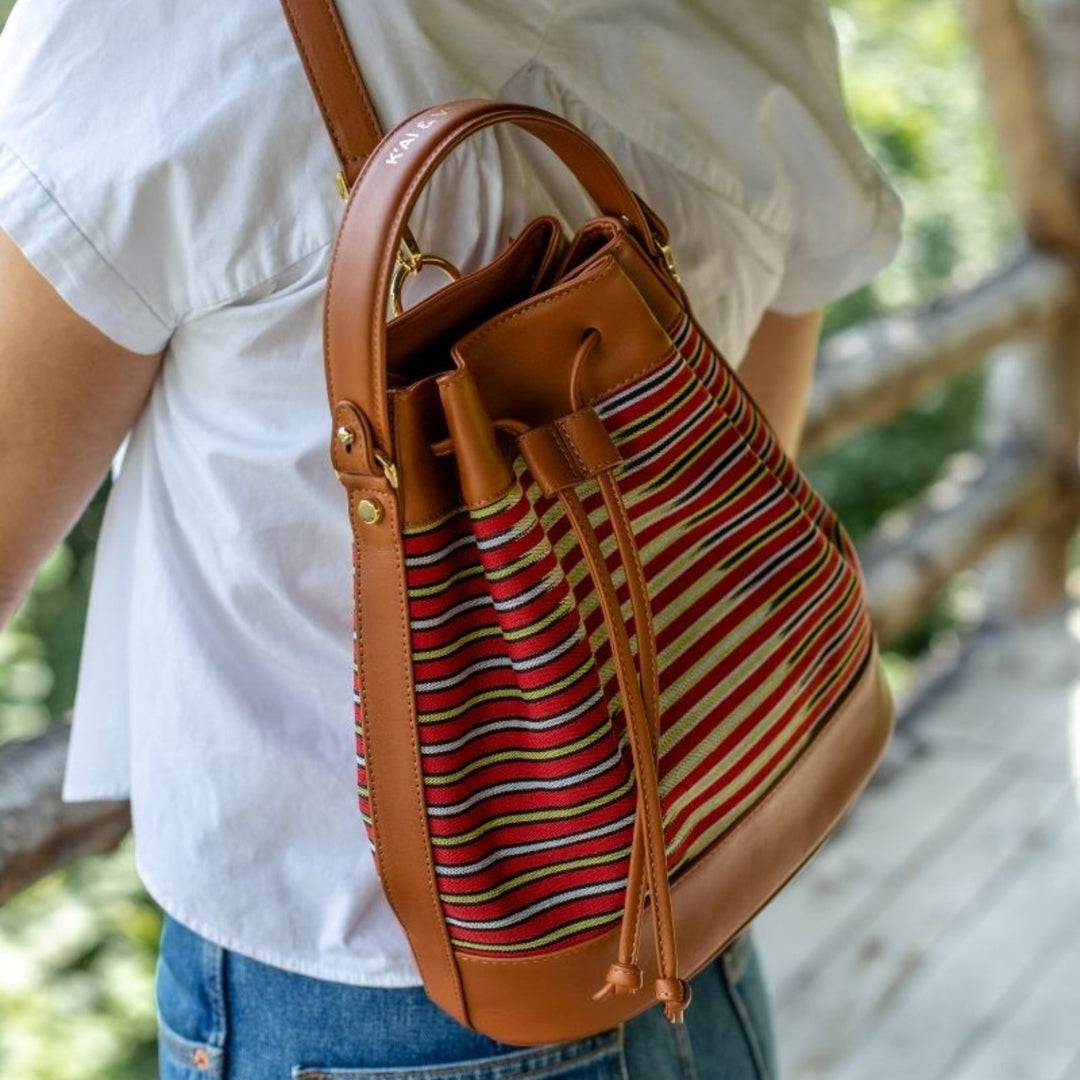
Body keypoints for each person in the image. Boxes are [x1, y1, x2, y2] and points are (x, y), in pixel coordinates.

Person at [0, 1, 902, 1076]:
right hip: (696, 887)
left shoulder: (166, 33)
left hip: (358, 995)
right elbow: (744, 456)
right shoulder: (764, 22)